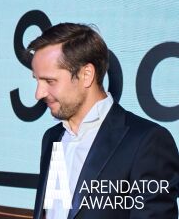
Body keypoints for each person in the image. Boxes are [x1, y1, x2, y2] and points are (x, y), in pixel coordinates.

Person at [28, 23, 179, 219]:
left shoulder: (147, 142)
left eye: (50, 81)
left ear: (86, 75)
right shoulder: (52, 137)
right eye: (37, 80)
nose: (38, 93)